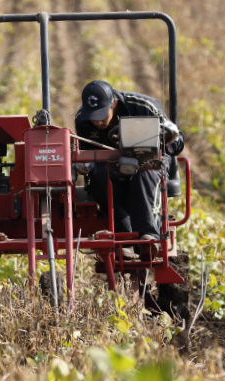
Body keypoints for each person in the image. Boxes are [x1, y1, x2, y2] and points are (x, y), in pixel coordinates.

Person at [74, 80, 183, 258]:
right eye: (92, 116)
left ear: (114, 103)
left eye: (101, 115)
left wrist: (171, 137)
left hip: (149, 162)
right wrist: (83, 164)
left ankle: (148, 236)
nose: (96, 122)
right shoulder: (83, 121)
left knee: (144, 171)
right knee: (99, 176)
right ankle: (124, 239)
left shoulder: (143, 106)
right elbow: (85, 151)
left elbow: (178, 143)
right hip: (112, 166)